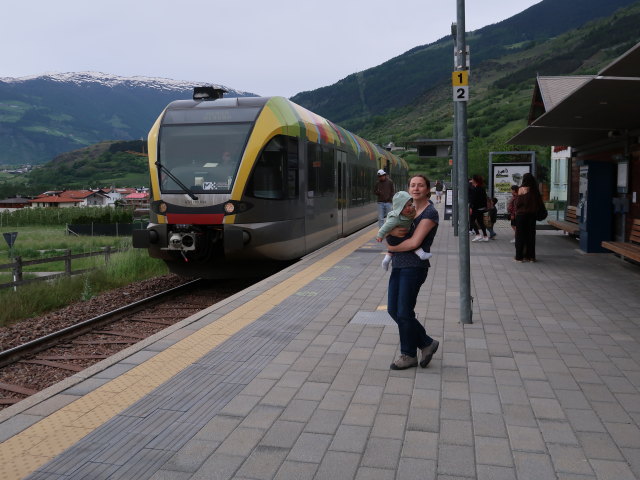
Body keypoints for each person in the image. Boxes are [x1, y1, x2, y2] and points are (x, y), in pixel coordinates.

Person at [384, 174, 440, 370]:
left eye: (420, 185)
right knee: (393, 310)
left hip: (415, 267)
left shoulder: (430, 213)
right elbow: (389, 228)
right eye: (412, 185)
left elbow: (415, 243)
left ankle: (408, 354)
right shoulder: (405, 209)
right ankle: (426, 342)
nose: (416, 188)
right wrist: (389, 234)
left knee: (404, 312)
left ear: (427, 189)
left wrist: (390, 248)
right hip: (399, 265)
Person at [377, 191, 432, 270]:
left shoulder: (409, 212)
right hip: (394, 237)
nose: (408, 208)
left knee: (396, 245)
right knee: (409, 239)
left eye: (409, 205)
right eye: (403, 207)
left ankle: (386, 259)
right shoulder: (395, 218)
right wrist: (380, 235)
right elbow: (385, 227)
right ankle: (421, 253)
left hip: (395, 236)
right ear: (398, 208)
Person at [514, 172, 543, 262]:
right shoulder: (535, 190)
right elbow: (539, 204)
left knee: (520, 236)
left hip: (521, 216)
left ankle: (519, 257)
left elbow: (518, 204)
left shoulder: (521, 189)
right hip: (532, 216)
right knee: (530, 236)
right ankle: (531, 257)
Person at [469, 174, 489, 242]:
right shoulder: (482, 188)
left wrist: (471, 207)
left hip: (476, 208)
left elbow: (473, 200)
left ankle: (478, 234)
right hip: (482, 208)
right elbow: (484, 198)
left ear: (475, 180)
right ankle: (485, 236)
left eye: (472, 179)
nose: (471, 180)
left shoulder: (475, 189)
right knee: (480, 222)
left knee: (471, 220)